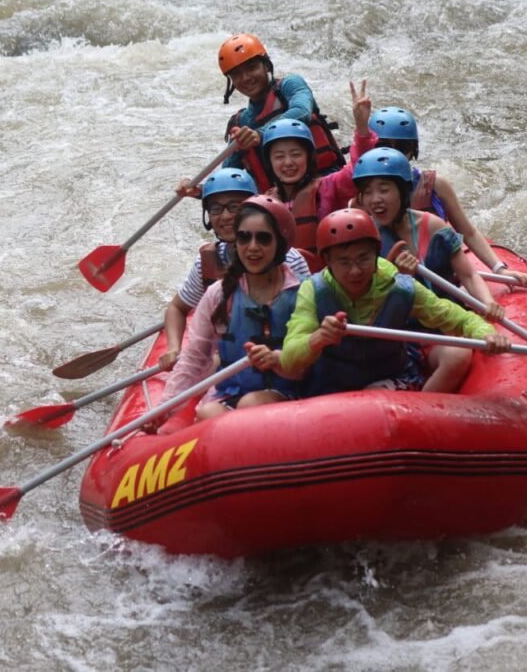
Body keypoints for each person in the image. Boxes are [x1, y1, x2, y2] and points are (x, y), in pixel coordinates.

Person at [280, 208, 510, 396]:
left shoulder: (399, 286)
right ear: (327, 260)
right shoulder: (313, 290)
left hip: (392, 376)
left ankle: (422, 417)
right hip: (334, 384)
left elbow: (453, 316)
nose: (355, 271)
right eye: (344, 262)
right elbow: (289, 359)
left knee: (457, 353)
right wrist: (318, 338)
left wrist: (485, 334)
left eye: (363, 258)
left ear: (376, 254)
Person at [350, 148, 508, 392]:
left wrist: (488, 303)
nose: (375, 199)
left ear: (403, 192)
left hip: (439, 330)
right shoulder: (361, 236)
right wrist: (401, 280)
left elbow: (468, 275)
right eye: (368, 192)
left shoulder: (433, 226)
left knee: (457, 356)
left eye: (384, 189)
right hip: (396, 335)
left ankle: (422, 408)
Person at [148, 196, 305, 431]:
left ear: (280, 244)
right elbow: (194, 359)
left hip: (289, 391)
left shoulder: (303, 292)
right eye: (244, 237)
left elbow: (313, 355)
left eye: (263, 238)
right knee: (208, 412)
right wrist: (163, 409)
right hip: (232, 390)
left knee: (251, 404)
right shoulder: (219, 294)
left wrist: (278, 358)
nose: (252, 247)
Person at [159, 168, 310, 371]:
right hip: (229, 356)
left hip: (279, 355)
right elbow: (177, 308)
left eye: (234, 206)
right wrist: (174, 349)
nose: (226, 216)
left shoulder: (288, 258)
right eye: (216, 209)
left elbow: (310, 314)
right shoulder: (206, 262)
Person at [368, 106, 527, 286]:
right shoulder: (362, 193)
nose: (394, 154)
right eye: (384, 146)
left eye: (402, 147)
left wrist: (499, 269)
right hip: (387, 280)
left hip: (437, 277)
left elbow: (469, 232)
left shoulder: (435, 185)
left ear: (413, 150)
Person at [259, 80, 376, 260]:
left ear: (309, 158)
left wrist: (362, 129)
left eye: (296, 154)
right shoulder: (264, 203)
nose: (288, 162)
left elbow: (360, 170)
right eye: (279, 156)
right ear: (270, 163)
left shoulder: (328, 188)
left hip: (326, 280)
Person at [216, 33, 345, 191]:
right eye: (236, 74)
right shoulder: (240, 122)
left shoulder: (290, 85)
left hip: (325, 184)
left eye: (252, 68)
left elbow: (301, 111)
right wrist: (201, 191)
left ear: (266, 65)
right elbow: (228, 174)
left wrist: (261, 134)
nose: (246, 78)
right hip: (279, 200)